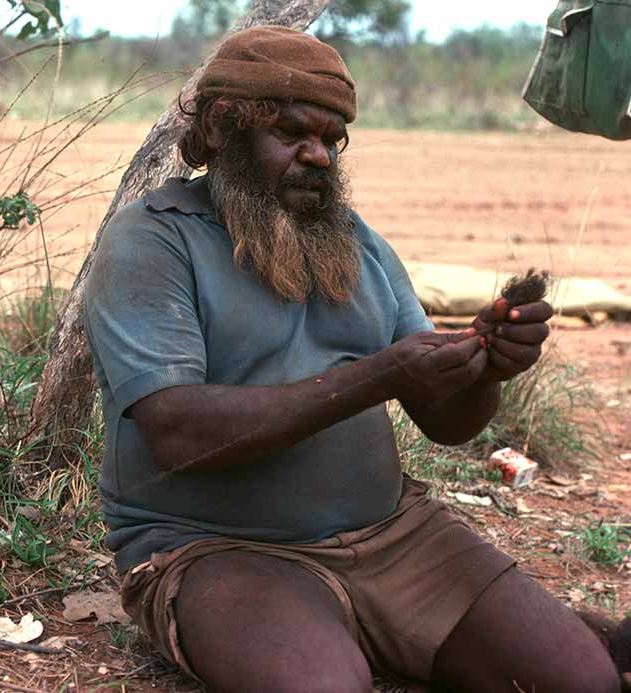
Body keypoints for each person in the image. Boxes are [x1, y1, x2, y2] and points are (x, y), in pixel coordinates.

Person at [83, 27, 621, 693]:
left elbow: (447, 422)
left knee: (584, 681)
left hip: (396, 536)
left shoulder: (356, 244)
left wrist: (486, 368)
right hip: (216, 547)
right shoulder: (153, 240)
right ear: (224, 129)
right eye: (293, 134)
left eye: (332, 140)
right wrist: (382, 374)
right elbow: (177, 431)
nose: (318, 156)